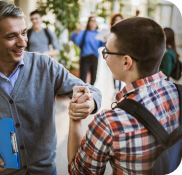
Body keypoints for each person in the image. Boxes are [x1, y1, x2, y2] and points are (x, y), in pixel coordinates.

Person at [0, 2, 102, 175]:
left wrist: (90, 103)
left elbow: (92, 91)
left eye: (24, 33)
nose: (23, 42)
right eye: (12, 36)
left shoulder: (45, 66)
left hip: (45, 171)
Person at [68, 17, 180, 174]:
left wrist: (75, 118)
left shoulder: (109, 123)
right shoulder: (178, 93)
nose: (104, 57)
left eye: (106, 52)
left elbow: (77, 172)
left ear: (126, 62)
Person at [71, 14, 105, 85]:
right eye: (92, 21)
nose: (93, 23)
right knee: (83, 77)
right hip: (85, 56)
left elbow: (103, 44)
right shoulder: (84, 33)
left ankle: (91, 92)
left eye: (95, 21)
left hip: (94, 57)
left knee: (94, 77)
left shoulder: (98, 34)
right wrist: (76, 31)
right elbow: (75, 40)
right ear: (88, 23)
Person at [110, 13, 124, 92]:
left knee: (120, 72)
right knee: (114, 73)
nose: (118, 21)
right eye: (116, 20)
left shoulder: (124, 31)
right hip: (112, 55)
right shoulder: (110, 31)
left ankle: (119, 90)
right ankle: (115, 89)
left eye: (120, 19)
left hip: (121, 55)